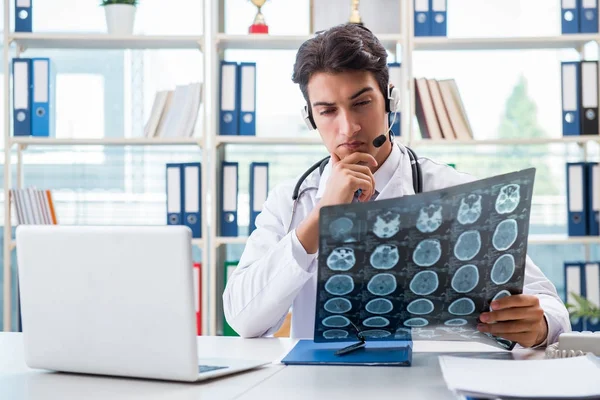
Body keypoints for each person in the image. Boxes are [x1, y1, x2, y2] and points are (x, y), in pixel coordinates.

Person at [222, 23, 570, 348]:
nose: (349, 128)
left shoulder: (455, 190)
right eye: (328, 111)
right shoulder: (291, 201)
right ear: (311, 117)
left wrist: (537, 326)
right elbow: (243, 319)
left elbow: (553, 311)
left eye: (361, 103)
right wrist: (318, 220)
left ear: (390, 100)